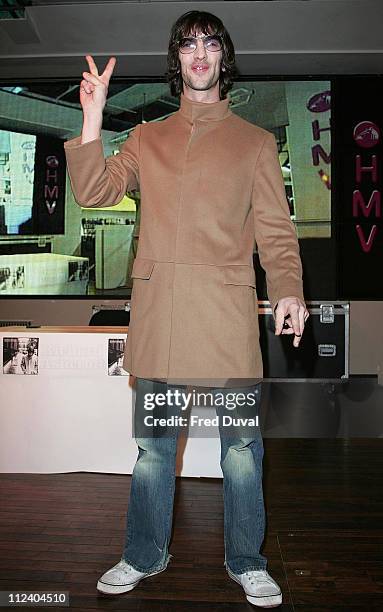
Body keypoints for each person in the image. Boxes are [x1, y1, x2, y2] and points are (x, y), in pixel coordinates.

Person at [64, 10, 309, 608]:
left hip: (225, 322)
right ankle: (143, 554)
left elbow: (276, 233)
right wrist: (93, 121)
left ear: (225, 58)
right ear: (176, 62)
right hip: (162, 320)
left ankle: (247, 560)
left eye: (210, 44)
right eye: (188, 46)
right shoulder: (148, 138)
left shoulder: (256, 143)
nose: (199, 54)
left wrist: (288, 290)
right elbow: (95, 191)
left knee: (242, 451)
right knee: (152, 452)